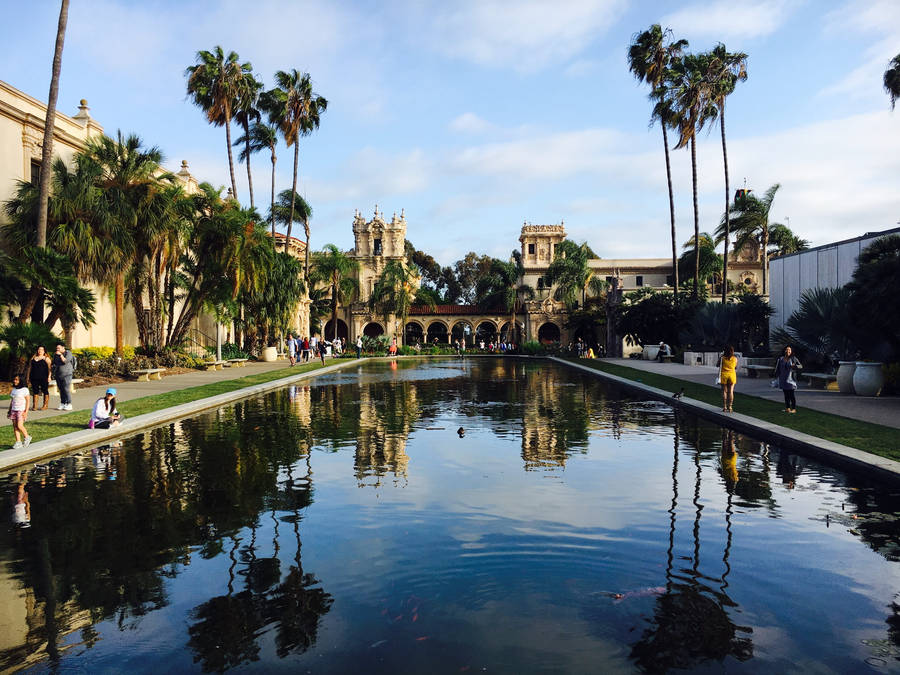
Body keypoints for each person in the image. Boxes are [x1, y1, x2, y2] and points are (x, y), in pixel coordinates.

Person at [775, 345, 803, 413]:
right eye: (787, 350)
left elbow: (801, 366)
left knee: (791, 395)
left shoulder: (793, 358)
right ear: (784, 351)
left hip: (791, 380)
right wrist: (776, 376)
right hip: (783, 379)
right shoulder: (781, 359)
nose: (788, 351)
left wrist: (795, 366)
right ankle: (788, 408)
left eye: (789, 350)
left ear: (791, 351)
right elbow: (778, 368)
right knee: (786, 395)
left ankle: (793, 409)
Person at [7, 374, 32, 448]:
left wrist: (26, 412)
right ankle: (18, 442)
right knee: (15, 427)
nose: (15, 381)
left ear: (21, 380)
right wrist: (9, 410)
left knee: (19, 425)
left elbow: (28, 401)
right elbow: (12, 401)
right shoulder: (14, 390)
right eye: (14, 379)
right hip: (14, 410)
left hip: (21, 410)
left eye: (17, 380)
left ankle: (27, 437)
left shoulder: (25, 390)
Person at [51, 342, 74, 411]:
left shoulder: (68, 353)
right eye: (57, 348)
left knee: (66, 389)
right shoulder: (56, 354)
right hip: (58, 374)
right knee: (61, 390)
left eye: (59, 348)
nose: (57, 349)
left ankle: (69, 403)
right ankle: (63, 403)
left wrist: (60, 355)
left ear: (63, 347)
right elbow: (54, 363)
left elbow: (65, 361)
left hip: (67, 374)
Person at [29, 345, 52, 410]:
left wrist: (49, 376)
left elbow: (50, 369)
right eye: (39, 349)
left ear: (44, 351)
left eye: (42, 349)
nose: (40, 351)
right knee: (35, 391)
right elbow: (30, 368)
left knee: (45, 390)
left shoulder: (46, 358)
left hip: (44, 377)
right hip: (34, 377)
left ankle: (45, 405)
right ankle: (35, 405)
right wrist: (28, 377)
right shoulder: (33, 358)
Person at [718, 344, 738, 412]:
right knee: (731, 391)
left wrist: (720, 356)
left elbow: (717, 365)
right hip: (732, 375)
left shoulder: (722, 358)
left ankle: (724, 406)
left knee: (724, 391)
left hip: (724, 375)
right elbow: (735, 366)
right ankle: (730, 406)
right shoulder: (735, 359)